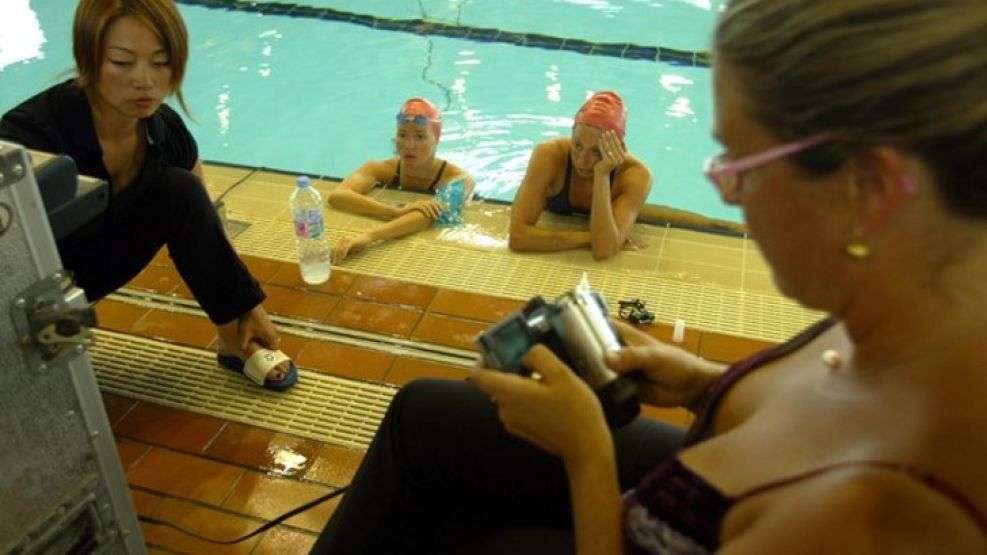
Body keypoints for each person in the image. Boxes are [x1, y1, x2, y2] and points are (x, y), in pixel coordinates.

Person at [312, 0, 987, 552]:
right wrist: (699, 382)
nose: (725, 193)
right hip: (706, 464)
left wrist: (585, 450)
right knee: (424, 417)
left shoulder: (880, 513)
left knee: (467, 528)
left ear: (867, 186)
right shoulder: (919, 300)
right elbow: (829, 404)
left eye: (739, 162)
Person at [0, 0, 297, 391]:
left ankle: (234, 337)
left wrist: (246, 304)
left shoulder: (164, 130)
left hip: (76, 279)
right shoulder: (30, 138)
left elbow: (205, 223)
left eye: (161, 62)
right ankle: (48, 354)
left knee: (182, 191)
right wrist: (61, 339)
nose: (145, 80)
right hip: (17, 290)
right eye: (122, 63)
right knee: (46, 394)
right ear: (89, 59)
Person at [508, 91, 743, 262]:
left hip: (615, 204)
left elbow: (603, 251)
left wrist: (602, 175)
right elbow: (518, 237)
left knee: (709, 225)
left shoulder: (635, 174)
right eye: (577, 145)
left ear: (617, 148)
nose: (582, 161)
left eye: (596, 152)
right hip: (603, 217)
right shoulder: (549, 155)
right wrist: (587, 237)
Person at [327, 97, 474, 263]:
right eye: (402, 134)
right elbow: (338, 195)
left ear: (436, 139)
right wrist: (395, 211)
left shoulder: (458, 178)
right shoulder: (380, 168)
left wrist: (369, 236)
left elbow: (430, 216)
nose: (409, 145)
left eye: (420, 136)